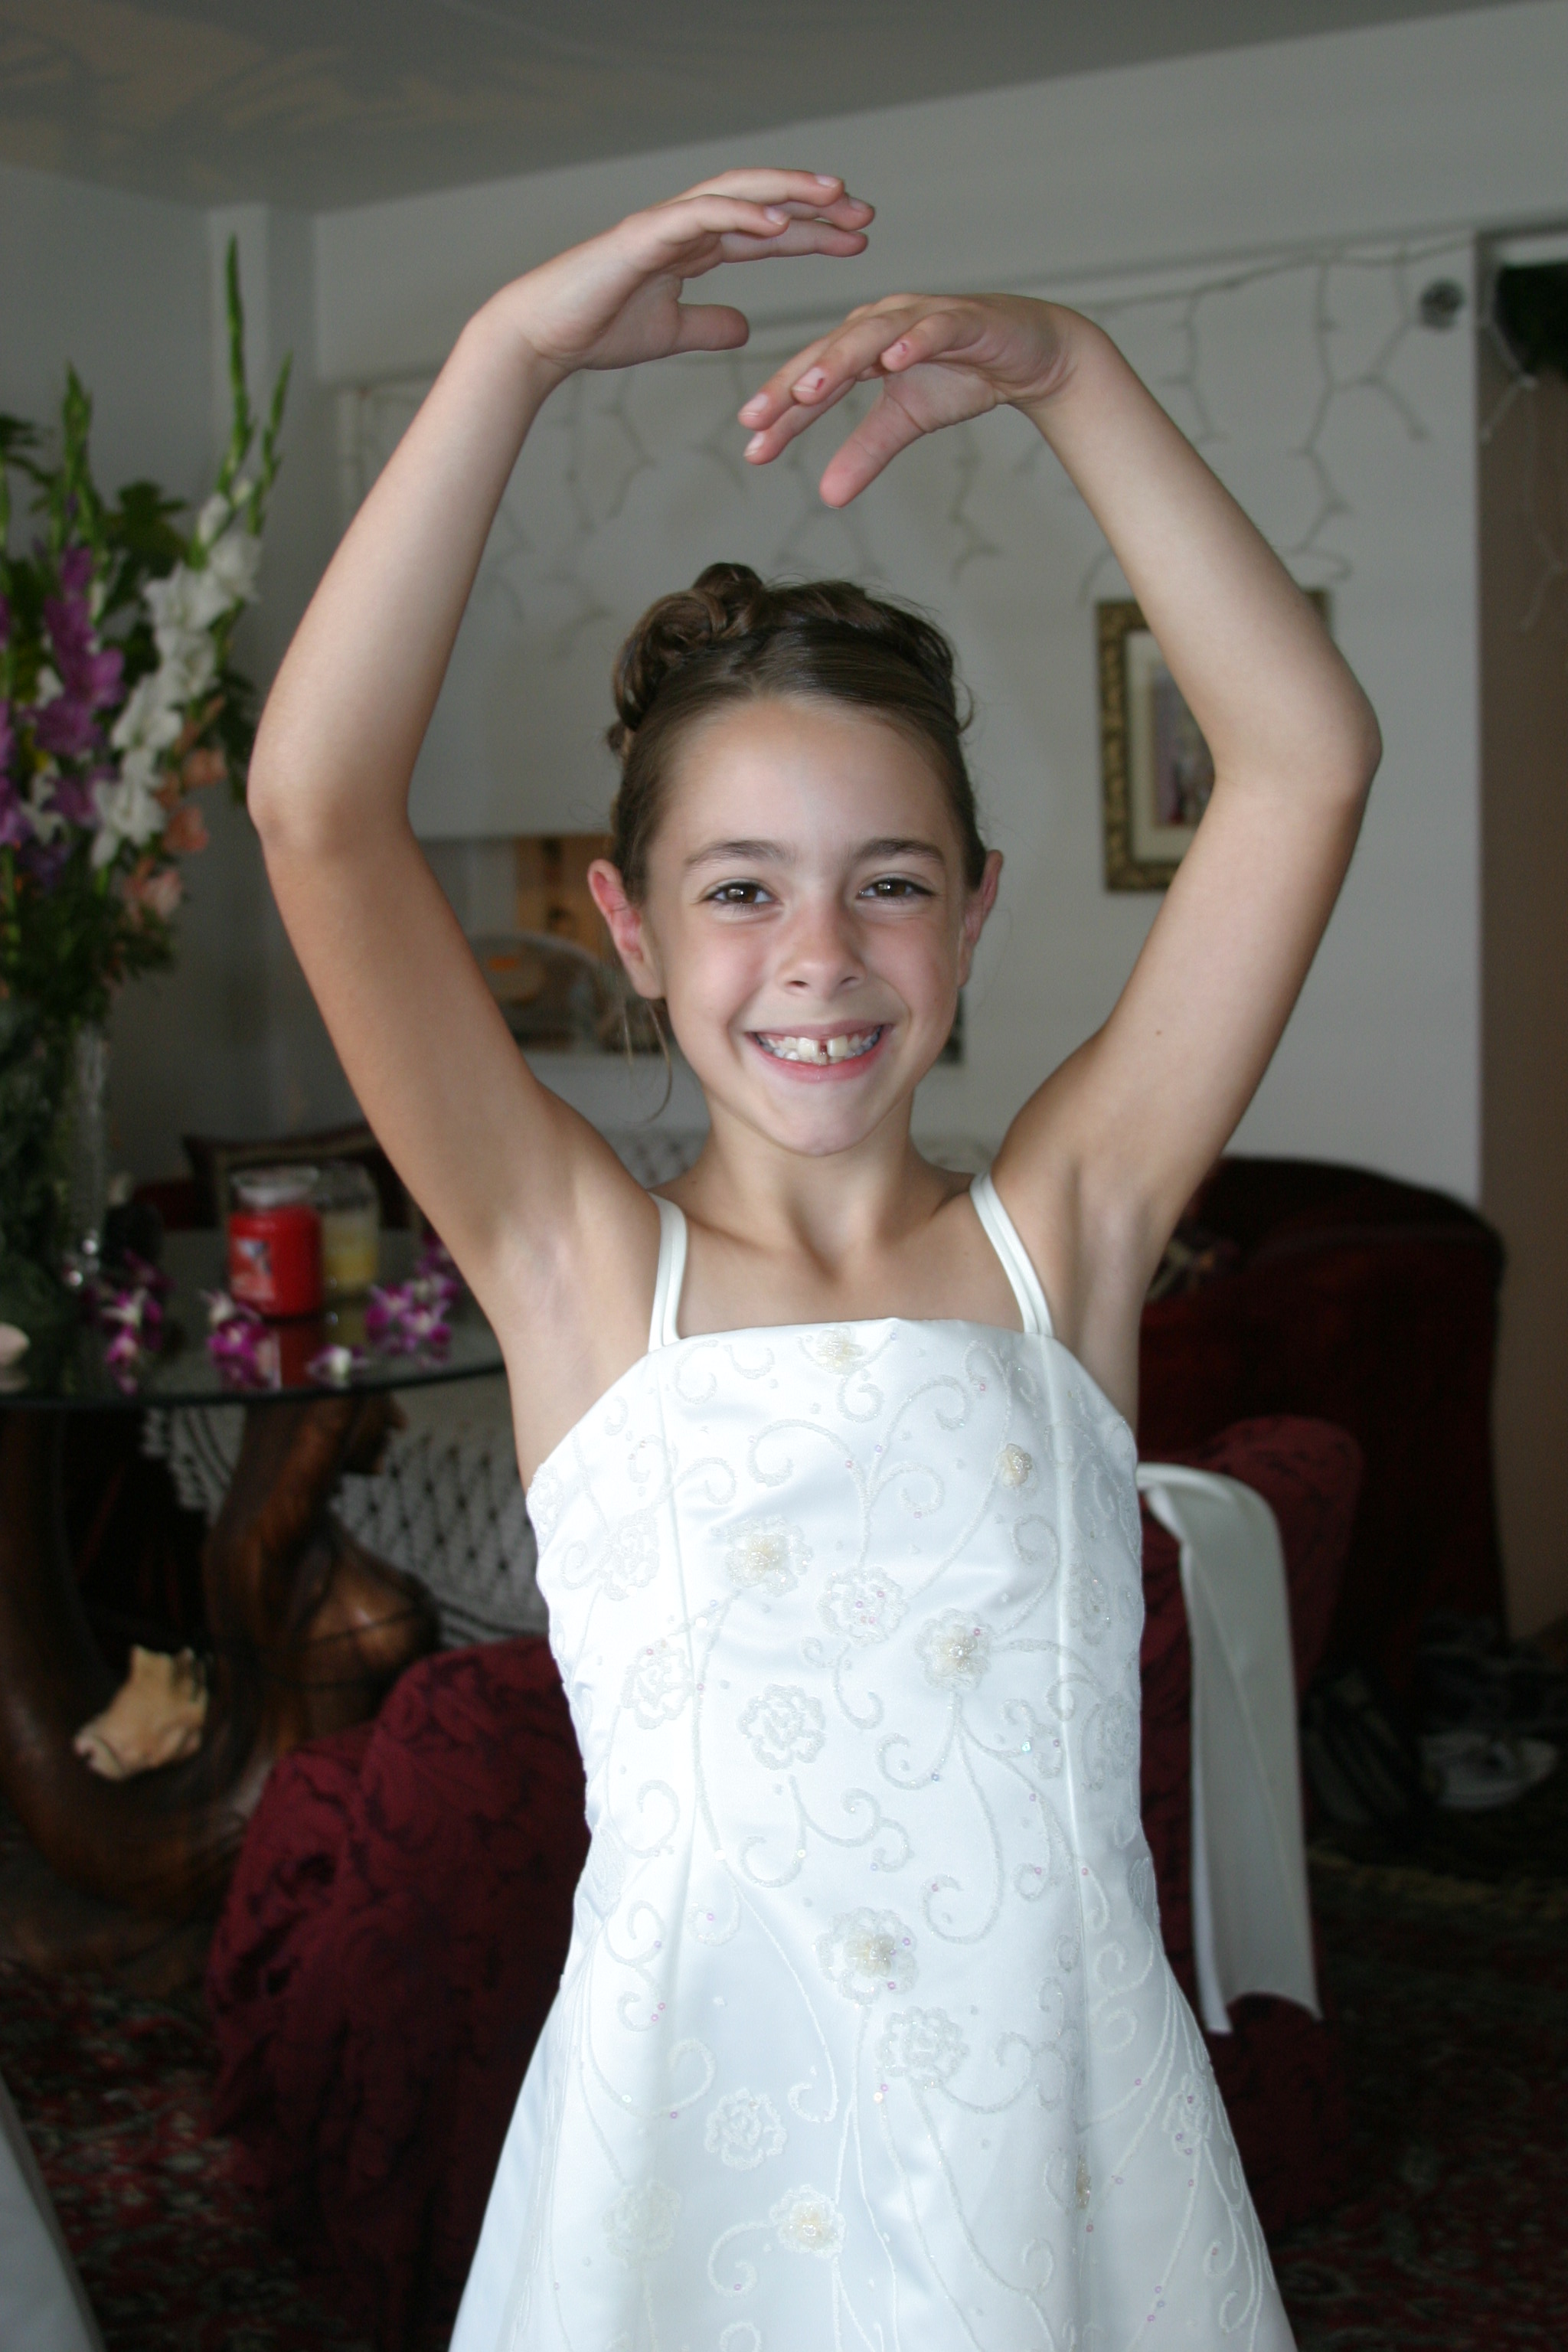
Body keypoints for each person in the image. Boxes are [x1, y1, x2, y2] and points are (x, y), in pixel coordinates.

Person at [249, 169, 1377, 2350]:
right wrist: (505, 355)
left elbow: (1305, 764)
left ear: (977, 909)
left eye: (890, 882)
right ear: (629, 927)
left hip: (1063, 2166)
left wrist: (1077, 374)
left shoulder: (1067, 1235)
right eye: (742, 889)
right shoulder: (577, 1267)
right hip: (691, 2178)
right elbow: (315, 805)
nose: (822, 958)